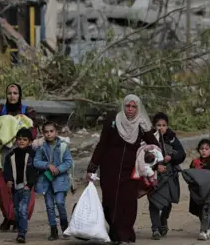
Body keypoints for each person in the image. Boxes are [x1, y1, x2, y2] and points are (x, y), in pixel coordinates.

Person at [86, 94, 160, 244]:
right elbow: (102, 145)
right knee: (110, 202)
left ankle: (125, 234)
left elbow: (154, 146)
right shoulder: (113, 122)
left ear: (138, 108)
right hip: (109, 169)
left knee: (128, 203)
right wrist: (92, 167)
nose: (130, 109)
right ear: (123, 106)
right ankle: (115, 232)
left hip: (130, 171)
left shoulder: (142, 125)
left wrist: (155, 162)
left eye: (134, 107)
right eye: (128, 106)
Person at [0, 83, 38, 231]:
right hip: (5, 154)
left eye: (15, 93)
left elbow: (33, 132)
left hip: (23, 156)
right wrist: (2, 138)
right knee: (5, 188)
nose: (12, 96)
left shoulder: (27, 111)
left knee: (22, 187)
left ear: (20, 95)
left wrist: (20, 138)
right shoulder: (1, 110)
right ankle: (8, 217)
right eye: (9, 93)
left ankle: (20, 218)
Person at [148, 112, 186, 240]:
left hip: (170, 175)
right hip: (154, 176)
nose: (161, 128)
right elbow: (143, 158)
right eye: (158, 125)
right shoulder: (149, 139)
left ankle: (163, 219)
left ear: (167, 126)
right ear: (154, 126)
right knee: (153, 201)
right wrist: (155, 166)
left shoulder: (172, 138)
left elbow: (182, 154)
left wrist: (171, 157)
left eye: (164, 125)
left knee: (167, 202)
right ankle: (155, 228)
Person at [33, 122, 74, 240]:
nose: (49, 134)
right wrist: (48, 165)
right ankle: (53, 230)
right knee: (49, 206)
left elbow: (68, 162)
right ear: (43, 133)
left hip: (60, 180)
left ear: (56, 132)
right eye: (46, 132)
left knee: (60, 203)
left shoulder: (63, 146)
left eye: (51, 131)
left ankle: (65, 227)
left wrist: (58, 169)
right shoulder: (41, 147)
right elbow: (36, 162)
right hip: (46, 181)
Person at [3, 128, 39, 244]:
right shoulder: (11, 155)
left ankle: (21, 234)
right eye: (19, 139)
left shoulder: (33, 155)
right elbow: (7, 170)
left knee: (23, 209)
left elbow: (35, 171)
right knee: (17, 210)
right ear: (16, 141)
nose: (21, 141)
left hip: (26, 187)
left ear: (30, 142)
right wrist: (8, 180)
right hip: (15, 188)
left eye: (24, 139)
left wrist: (30, 184)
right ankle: (19, 226)